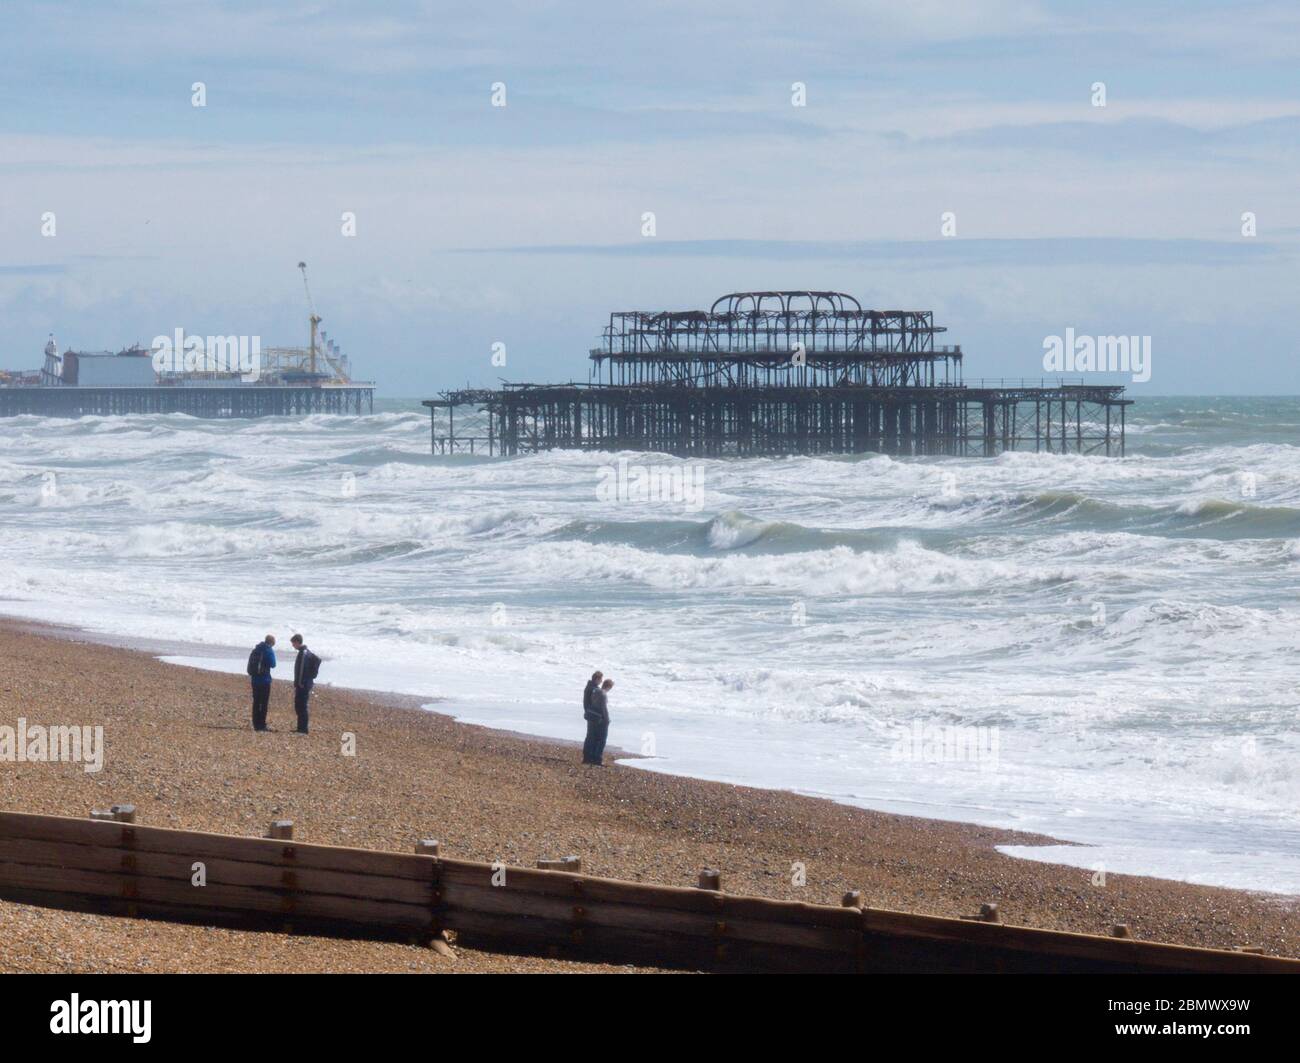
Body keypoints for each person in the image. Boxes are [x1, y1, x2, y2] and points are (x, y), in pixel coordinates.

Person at [290, 634, 320, 735]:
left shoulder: (303, 653)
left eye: (293, 643)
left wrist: (299, 683)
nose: (293, 645)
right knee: (299, 705)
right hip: (305, 683)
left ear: (298, 642)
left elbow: (302, 669)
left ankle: (303, 729)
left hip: (303, 684)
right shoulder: (305, 652)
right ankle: (300, 728)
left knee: (301, 706)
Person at [248, 634, 276, 731]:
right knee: (263, 703)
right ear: (272, 643)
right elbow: (273, 664)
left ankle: (255, 724)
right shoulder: (268, 650)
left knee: (256, 702)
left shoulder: (256, 649)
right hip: (264, 680)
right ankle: (262, 725)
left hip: (254, 679)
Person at [586, 678, 614, 766]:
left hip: (592, 717)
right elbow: (604, 709)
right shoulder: (603, 694)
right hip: (600, 719)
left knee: (592, 738)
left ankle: (590, 758)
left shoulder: (595, 691)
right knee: (602, 740)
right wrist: (607, 720)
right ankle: (597, 759)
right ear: (609, 687)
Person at [581, 671, 603, 764]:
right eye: (600, 679)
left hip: (589, 713)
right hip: (592, 714)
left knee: (590, 736)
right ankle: (588, 757)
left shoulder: (590, 687)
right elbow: (593, 703)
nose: (601, 681)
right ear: (597, 679)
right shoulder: (593, 689)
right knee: (592, 736)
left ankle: (587, 757)